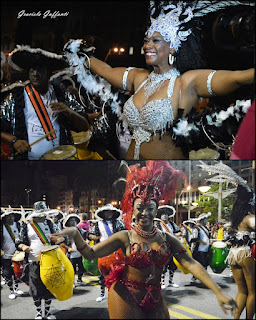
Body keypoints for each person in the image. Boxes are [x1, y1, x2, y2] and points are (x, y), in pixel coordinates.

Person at [63, 1, 254, 160]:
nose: (147, 45)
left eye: (156, 40)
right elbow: (105, 70)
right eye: (146, 40)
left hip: (166, 176)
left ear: (173, 47)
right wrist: (75, 51)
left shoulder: (186, 83)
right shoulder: (139, 78)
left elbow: (237, 77)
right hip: (132, 172)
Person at [50, 161, 236, 319]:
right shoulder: (125, 237)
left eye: (150, 208)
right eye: (140, 208)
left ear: (156, 210)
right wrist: (75, 233)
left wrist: (218, 291)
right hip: (126, 296)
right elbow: (91, 254)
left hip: (156, 296)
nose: (144, 213)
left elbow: (191, 263)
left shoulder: (167, 238)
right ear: (133, 208)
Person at [1, 45, 89, 160]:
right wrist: (14, 141)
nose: (35, 74)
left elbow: (85, 126)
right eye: (32, 70)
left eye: (40, 69)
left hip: (60, 165)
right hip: (28, 166)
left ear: (49, 73)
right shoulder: (15, 97)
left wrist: (69, 113)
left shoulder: (61, 94)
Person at [198, 160, 255, 319]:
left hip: (233, 255)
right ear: (250, 201)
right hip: (245, 255)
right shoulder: (250, 218)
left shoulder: (236, 218)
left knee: (242, 291)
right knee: (253, 292)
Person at [15, 201, 60, 320]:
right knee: (35, 288)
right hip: (34, 261)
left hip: (50, 261)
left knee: (50, 286)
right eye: (40, 214)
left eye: (44, 214)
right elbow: (18, 242)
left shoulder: (50, 224)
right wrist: (24, 247)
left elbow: (60, 236)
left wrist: (58, 239)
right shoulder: (27, 226)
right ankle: (39, 312)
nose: (42, 216)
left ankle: (48, 312)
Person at [93, 204, 125, 302]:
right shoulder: (98, 224)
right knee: (102, 273)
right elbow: (96, 237)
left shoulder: (119, 223)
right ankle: (102, 293)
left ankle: (119, 293)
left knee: (119, 273)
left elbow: (123, 235)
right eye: (106, 212)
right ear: (103, 213)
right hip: (103, 250)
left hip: (116, 251)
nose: (109, 214)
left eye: (110, 212)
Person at [155, 204, 180, 288]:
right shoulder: (158, 225)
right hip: (163, 247)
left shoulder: (172, 224)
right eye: (163, 215)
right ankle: (162, 282)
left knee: (172, 265)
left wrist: (178, 235)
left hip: (172, 247)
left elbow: (178, 231)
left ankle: (171, 281)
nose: (165, 216)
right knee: (163, 265)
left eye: (166, 214)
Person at [1, 206, 24, 299]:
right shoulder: (2, 227)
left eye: (12, 216)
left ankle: (16, 288)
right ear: (5, 217)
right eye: (8, 216)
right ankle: (11, 290)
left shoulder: (18, 225)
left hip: (18, 254)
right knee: (7, 273)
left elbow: (23, 238)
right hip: (6, 255)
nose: (11, 218)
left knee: (17, 272)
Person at [61, 213, 87, 286]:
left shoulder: (79, 230)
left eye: (74, 220)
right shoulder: (65, 232)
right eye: (71, 221)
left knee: (81, 267)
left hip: (79, 252)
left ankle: (79, 279)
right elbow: (61, 242)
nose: (73, 222)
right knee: (72, 269)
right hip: (71, 254)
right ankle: (72, 282)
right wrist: (68, 248)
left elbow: (86, 234)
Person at [191, 212, 211, 283]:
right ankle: (197, 277)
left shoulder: (205, 228)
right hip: (199, 250)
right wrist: (201, 241)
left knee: (204, 264)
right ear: (202, 220)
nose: (206, 221)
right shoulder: (196, 228)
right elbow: (193, 239)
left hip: (205, 249)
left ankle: (200, 277)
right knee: (200, 265)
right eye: (205, 219)